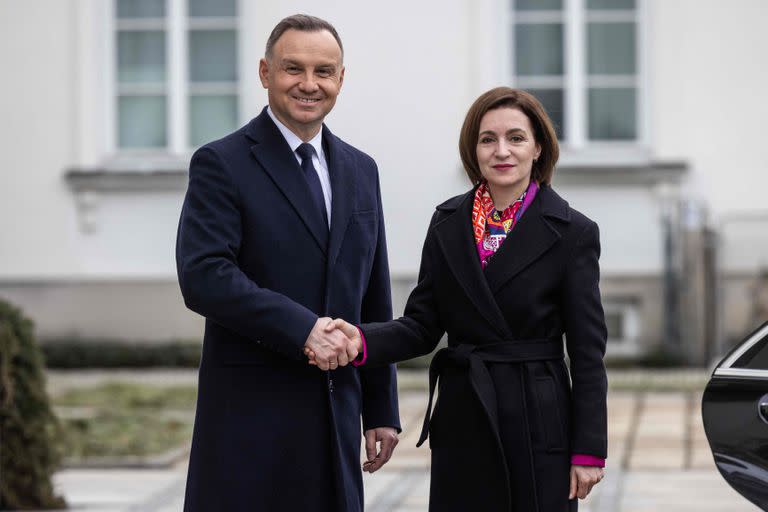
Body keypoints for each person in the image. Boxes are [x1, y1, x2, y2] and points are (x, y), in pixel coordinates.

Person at [311, 87, 608, 511]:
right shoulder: (447, 222)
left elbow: (587, 352)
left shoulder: (574, 232)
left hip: (539, 422)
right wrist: (360, 341)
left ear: (539, 147)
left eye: (516, 138)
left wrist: (589, 449)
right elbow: (421, 325)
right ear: (474, 149)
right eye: (488, 139)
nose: (501, 151)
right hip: (465, 413)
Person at [176, 14, 400, 512]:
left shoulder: (362, 170)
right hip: (251, 417)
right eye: (292, 68)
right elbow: (204, 275)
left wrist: (381, 409)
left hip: (335, 411)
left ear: (341, 78)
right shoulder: (222, 162)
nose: (308, 84)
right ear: (264, 72)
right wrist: (303, 329)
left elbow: (373, 293)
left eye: (324, 71)